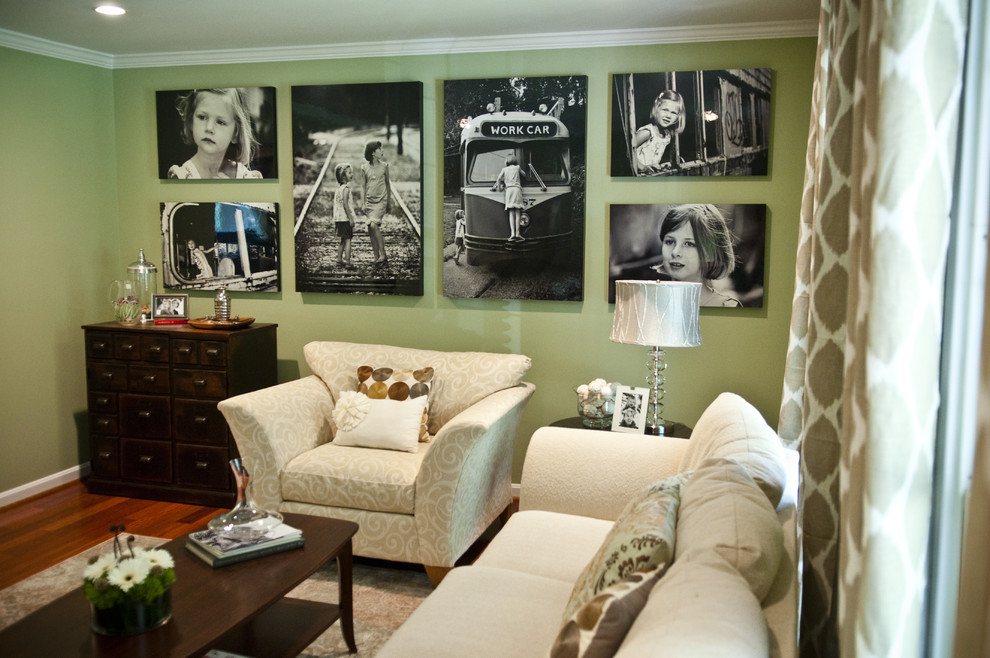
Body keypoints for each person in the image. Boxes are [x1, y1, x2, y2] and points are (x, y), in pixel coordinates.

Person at [652, 204, 742, 307]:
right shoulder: (651, 301)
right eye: (669, 242)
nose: (675, 252)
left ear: (710, 254)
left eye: (689, 244)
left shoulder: (727, 306)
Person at [169, 88, 262, 180]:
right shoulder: (181, 176)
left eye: (220, 122)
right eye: (202, 117)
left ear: (235, 133)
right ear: (191, 121)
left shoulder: (244, 176)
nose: (209, 128)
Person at [631, 90, 685, 176]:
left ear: (678, 117)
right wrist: (642, 167)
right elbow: (627, 150)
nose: (668, 116)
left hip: (649, 176)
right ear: (656, 109)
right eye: (665, 110)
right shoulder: (648, 132)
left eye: (673, 112)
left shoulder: (667, 135)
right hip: (636, 175)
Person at [361, 140, 392, 267]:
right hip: (369, 202)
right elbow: (363, 186)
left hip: (381, 200)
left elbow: (388, 184)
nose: (382, 151)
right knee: (370, 228)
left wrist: (388, 201)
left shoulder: (385, 166)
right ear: (373, 153)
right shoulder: (364, 168)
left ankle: (383, 254)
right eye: (380, 149)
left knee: (374, 225)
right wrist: (363, 203)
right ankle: (376, 256)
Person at [490, 154, 525, 242]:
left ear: (507, 161)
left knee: (511, 212)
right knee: (517, 212)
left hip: (508, 190)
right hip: (516, 190)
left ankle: (512, 234)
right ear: (514, 160)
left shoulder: (504, 169)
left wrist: (500, 188)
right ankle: (517, 233)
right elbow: (524, 175)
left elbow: (498, 179)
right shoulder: (517, 167)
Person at [333, 162, 356, 269]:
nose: (352, 174)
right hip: (345, 219)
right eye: (349, 173)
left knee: (343, 239)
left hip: (339, 219)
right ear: (343, 176)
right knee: (348, 240)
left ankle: (339, 260)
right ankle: (347, 262)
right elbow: (345, 205)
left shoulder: (338, 189)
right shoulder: (346, 189)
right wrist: (350, 218)